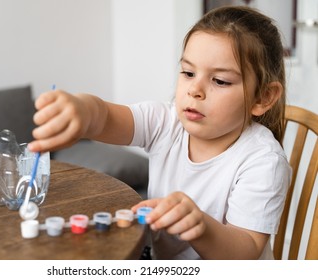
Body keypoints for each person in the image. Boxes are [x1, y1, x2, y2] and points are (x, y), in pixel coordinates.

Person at [28, 6, 292, 259]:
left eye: (220, 80)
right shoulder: (166, 122)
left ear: (263, 97)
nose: (194, 90)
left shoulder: (262, 161)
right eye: (188, 72)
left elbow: (242, 253)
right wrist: (84, 110)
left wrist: (200, 225)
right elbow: (105, 118)